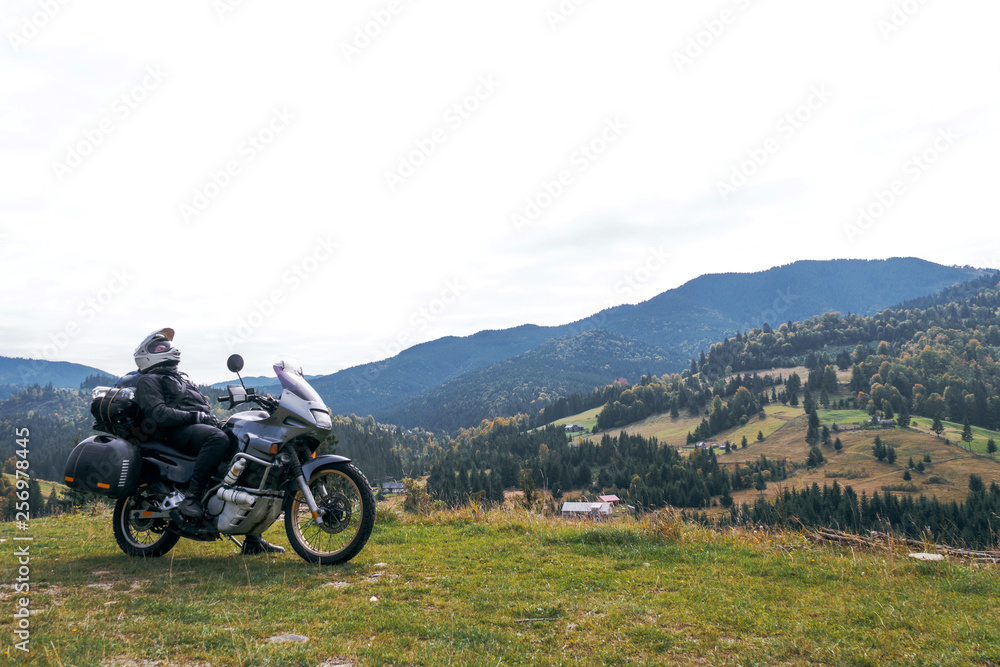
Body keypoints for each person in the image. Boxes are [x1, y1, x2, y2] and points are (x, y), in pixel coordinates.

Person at [133, 327, 283, 555]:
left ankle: (252, 538)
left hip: (194, 427)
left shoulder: (178, 377)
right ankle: (192, 498)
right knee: (217, 439)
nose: (167, 348)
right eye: (160, 346)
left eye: (167, 345)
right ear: (147, 354)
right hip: (172, 432)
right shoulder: (149, 380)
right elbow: (158, 414)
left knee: (246, 446)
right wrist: (195, 416)